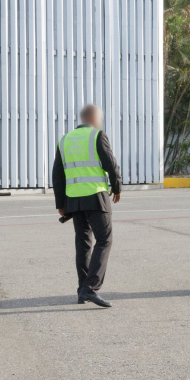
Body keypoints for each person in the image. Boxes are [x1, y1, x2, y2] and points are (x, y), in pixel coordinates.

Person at [52, 104, 122, 308]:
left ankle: (82, 290)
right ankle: (91, 288)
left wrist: (61, 203)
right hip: (95, 195)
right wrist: (117, 187)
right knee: (104, 241)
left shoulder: (64, 140)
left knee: (83, 244)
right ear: (93, 118)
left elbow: (57, 174)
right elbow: (110, 163)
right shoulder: (97, 135)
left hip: (74, 199)